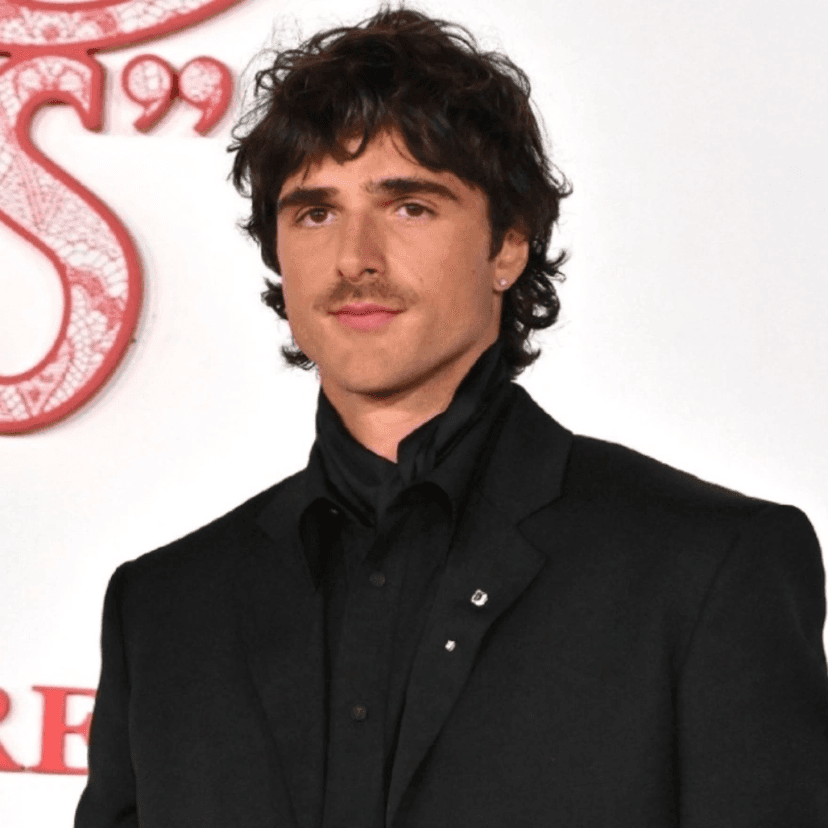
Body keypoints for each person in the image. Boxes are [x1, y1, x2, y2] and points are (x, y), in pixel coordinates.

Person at [75, 7, 828, 828]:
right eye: (316, 213)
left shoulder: (706, 568)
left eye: (410, 206)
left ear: (507, 246)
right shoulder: (165, 611)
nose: (355, 258)